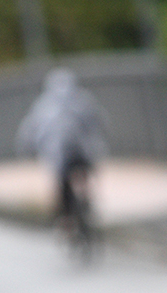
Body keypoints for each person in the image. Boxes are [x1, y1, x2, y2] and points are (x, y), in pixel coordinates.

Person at [16, 68, 107, 226]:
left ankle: (66, 220)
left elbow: (29, 130)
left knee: (61, 183)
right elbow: (100, 120)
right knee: (84, 174)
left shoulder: (43, 105)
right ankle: (86, 202)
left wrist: (25, 150)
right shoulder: (83, 99)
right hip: (83, 152)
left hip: (58, 156)